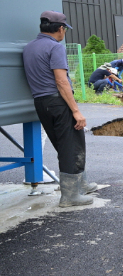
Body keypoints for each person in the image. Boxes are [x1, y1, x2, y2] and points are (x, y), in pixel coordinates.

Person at [22, 11, 97, 207]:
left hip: (41, 103)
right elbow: (61, 81)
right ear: (60, 29)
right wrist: (75, 111)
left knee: (65, 144)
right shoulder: (55, 47)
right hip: (58, 102)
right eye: (64, 29)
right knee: (72, 145)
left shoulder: (29, 47)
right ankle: (70, 196)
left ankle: (81, 184)